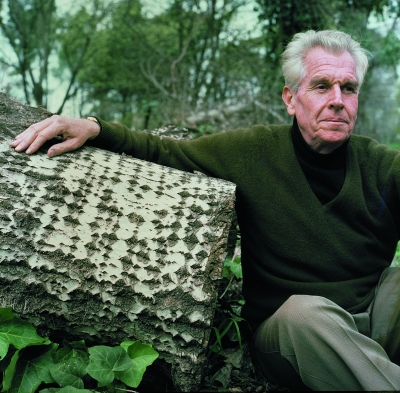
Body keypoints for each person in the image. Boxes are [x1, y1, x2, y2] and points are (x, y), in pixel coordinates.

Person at [10, 30, 400, 390]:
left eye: (348, 88)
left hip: (370, 321)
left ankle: (368, 371)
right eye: (321, 85)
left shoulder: (381, 165)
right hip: (291, 334)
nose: (337, 99)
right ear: (290, 98)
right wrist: (96, 127)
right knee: (305, 315)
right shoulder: (252, 152)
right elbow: (165, 151)